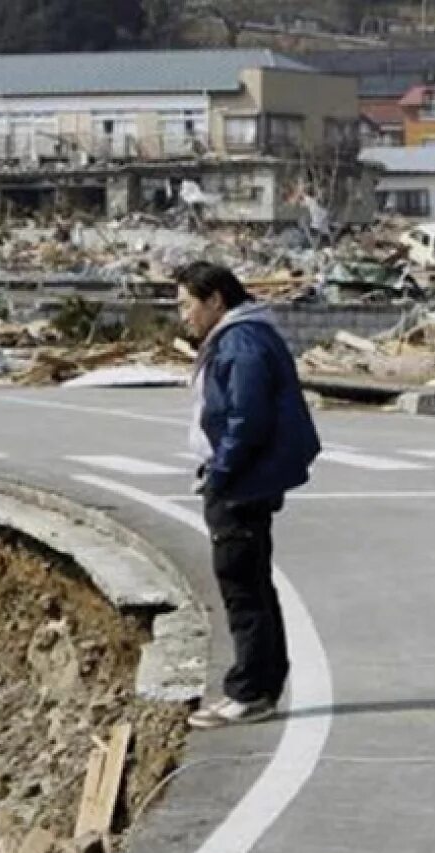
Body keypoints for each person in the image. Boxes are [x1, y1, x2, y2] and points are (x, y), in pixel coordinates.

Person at [175, 262, 321, 728]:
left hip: (242, 482)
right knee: (253, 582)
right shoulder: (245, 335)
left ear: (215, 300)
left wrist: (220, 473)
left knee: (242, 586)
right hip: (245, 478)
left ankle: (250, 690)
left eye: (187, 304)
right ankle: (261, 683)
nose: (184, 316)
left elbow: (247, 417)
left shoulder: (241, 341)